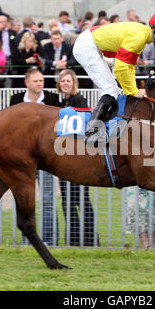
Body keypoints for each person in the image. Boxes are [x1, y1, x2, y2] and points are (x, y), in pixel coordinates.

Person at [72, 10, 155, 142]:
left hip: (91, 44)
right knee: (110, 89)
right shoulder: (139, 37)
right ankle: (92, 132)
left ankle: (107, 126)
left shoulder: (142, 36)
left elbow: (129, 67)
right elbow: (121, 68)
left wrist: (131, 90)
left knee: (115, 90)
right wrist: (133, 91)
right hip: (87, 46)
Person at [9, 68, 63, 245]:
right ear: (27, 83)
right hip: (23, 159)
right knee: (25, 198)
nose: (40, 83)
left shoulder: (52, 99)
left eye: (41, 80)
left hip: (45, 157)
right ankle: (28, 240)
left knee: (48, 198)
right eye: (36, 81)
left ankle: (49, 239)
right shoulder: (16, 100)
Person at [56, 69, 99, 246]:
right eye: (63, 81)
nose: (65, 83)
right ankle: (73, 239)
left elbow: (82, 128)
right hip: (64, 156)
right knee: (67, 200)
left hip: (77, 157)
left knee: (81, 199)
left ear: (74, 83)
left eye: (68, 81)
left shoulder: (78, 100)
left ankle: (90, 240)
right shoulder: (62, 102)